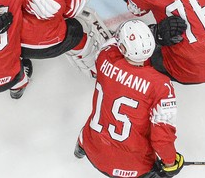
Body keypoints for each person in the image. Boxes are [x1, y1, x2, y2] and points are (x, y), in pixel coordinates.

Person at [76, 19, 184, 178]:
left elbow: (112, 45)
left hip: (92, 146)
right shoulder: (160, 85)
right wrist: (170, 163)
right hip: (132, 167)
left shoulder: (104, 58)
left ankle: (79, 150)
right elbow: (162, 137)